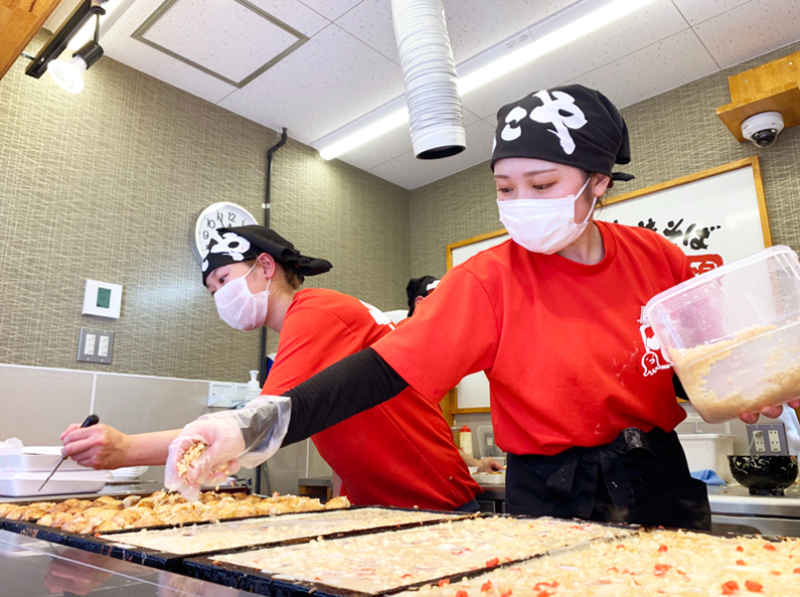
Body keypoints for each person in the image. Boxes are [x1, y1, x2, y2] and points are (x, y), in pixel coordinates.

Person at [167, 85, 800, 529]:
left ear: (598, 182)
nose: (521, 202)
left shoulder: (656, 257)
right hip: (552, 493)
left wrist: (756, 385)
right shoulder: (488, 280)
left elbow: (706, 363)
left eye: (543, 184)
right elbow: (382, 371)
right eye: (505, 187)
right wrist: (253, 425)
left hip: (658, 474)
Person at [61, 226, 481, 511]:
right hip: (382, 500)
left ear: (264, 266)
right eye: (211, 290)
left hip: (429, 497)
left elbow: (255, 427)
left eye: (223, 279)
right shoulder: (310, 321)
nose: (219, 296)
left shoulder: (316, 312)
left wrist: (125, 450)